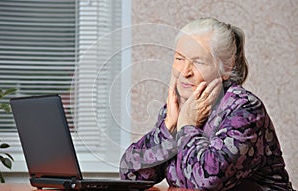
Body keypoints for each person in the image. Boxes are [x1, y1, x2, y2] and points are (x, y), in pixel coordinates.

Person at [119, 17, 295, 191]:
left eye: (198, 62)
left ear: (226, 67)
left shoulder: (245, 109)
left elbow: (207, 181)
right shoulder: (177, 108)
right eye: (179, 59)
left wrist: (186, 125)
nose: (185, 72)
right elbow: (131, 175)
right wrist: (168, 126)